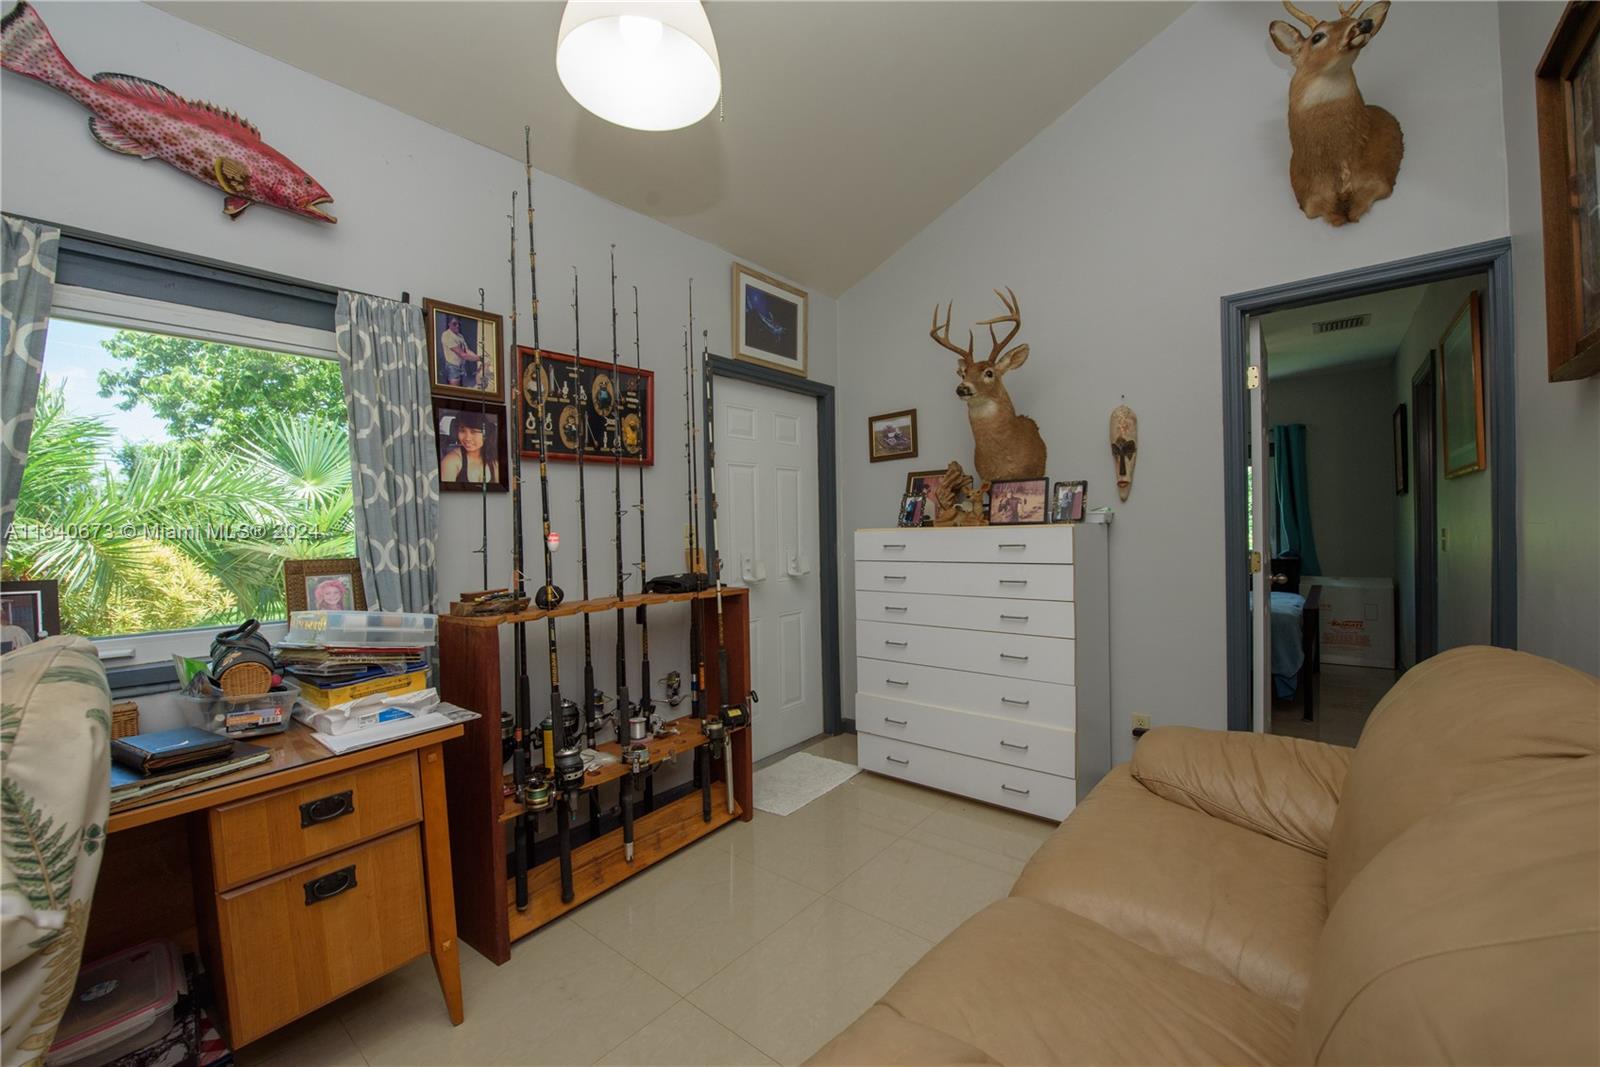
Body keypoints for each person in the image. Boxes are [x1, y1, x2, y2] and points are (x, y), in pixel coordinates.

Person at [439, 411, 499, 485]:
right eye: (462, 431)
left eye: (474, 431)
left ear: (486, 434)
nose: (467, 438)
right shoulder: (451, 461)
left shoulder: (494, 460)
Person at [439, 316, 479, 389]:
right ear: (449, 324)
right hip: (453, 367)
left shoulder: (460, 336)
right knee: (455, 392)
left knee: (464, 391)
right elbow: (462, 354)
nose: (457, 326)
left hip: (462, 366)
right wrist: (478, 358)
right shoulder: (447, 335)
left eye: (458, 324)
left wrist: (477, 356)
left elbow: (467, 350)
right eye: (454, 324)